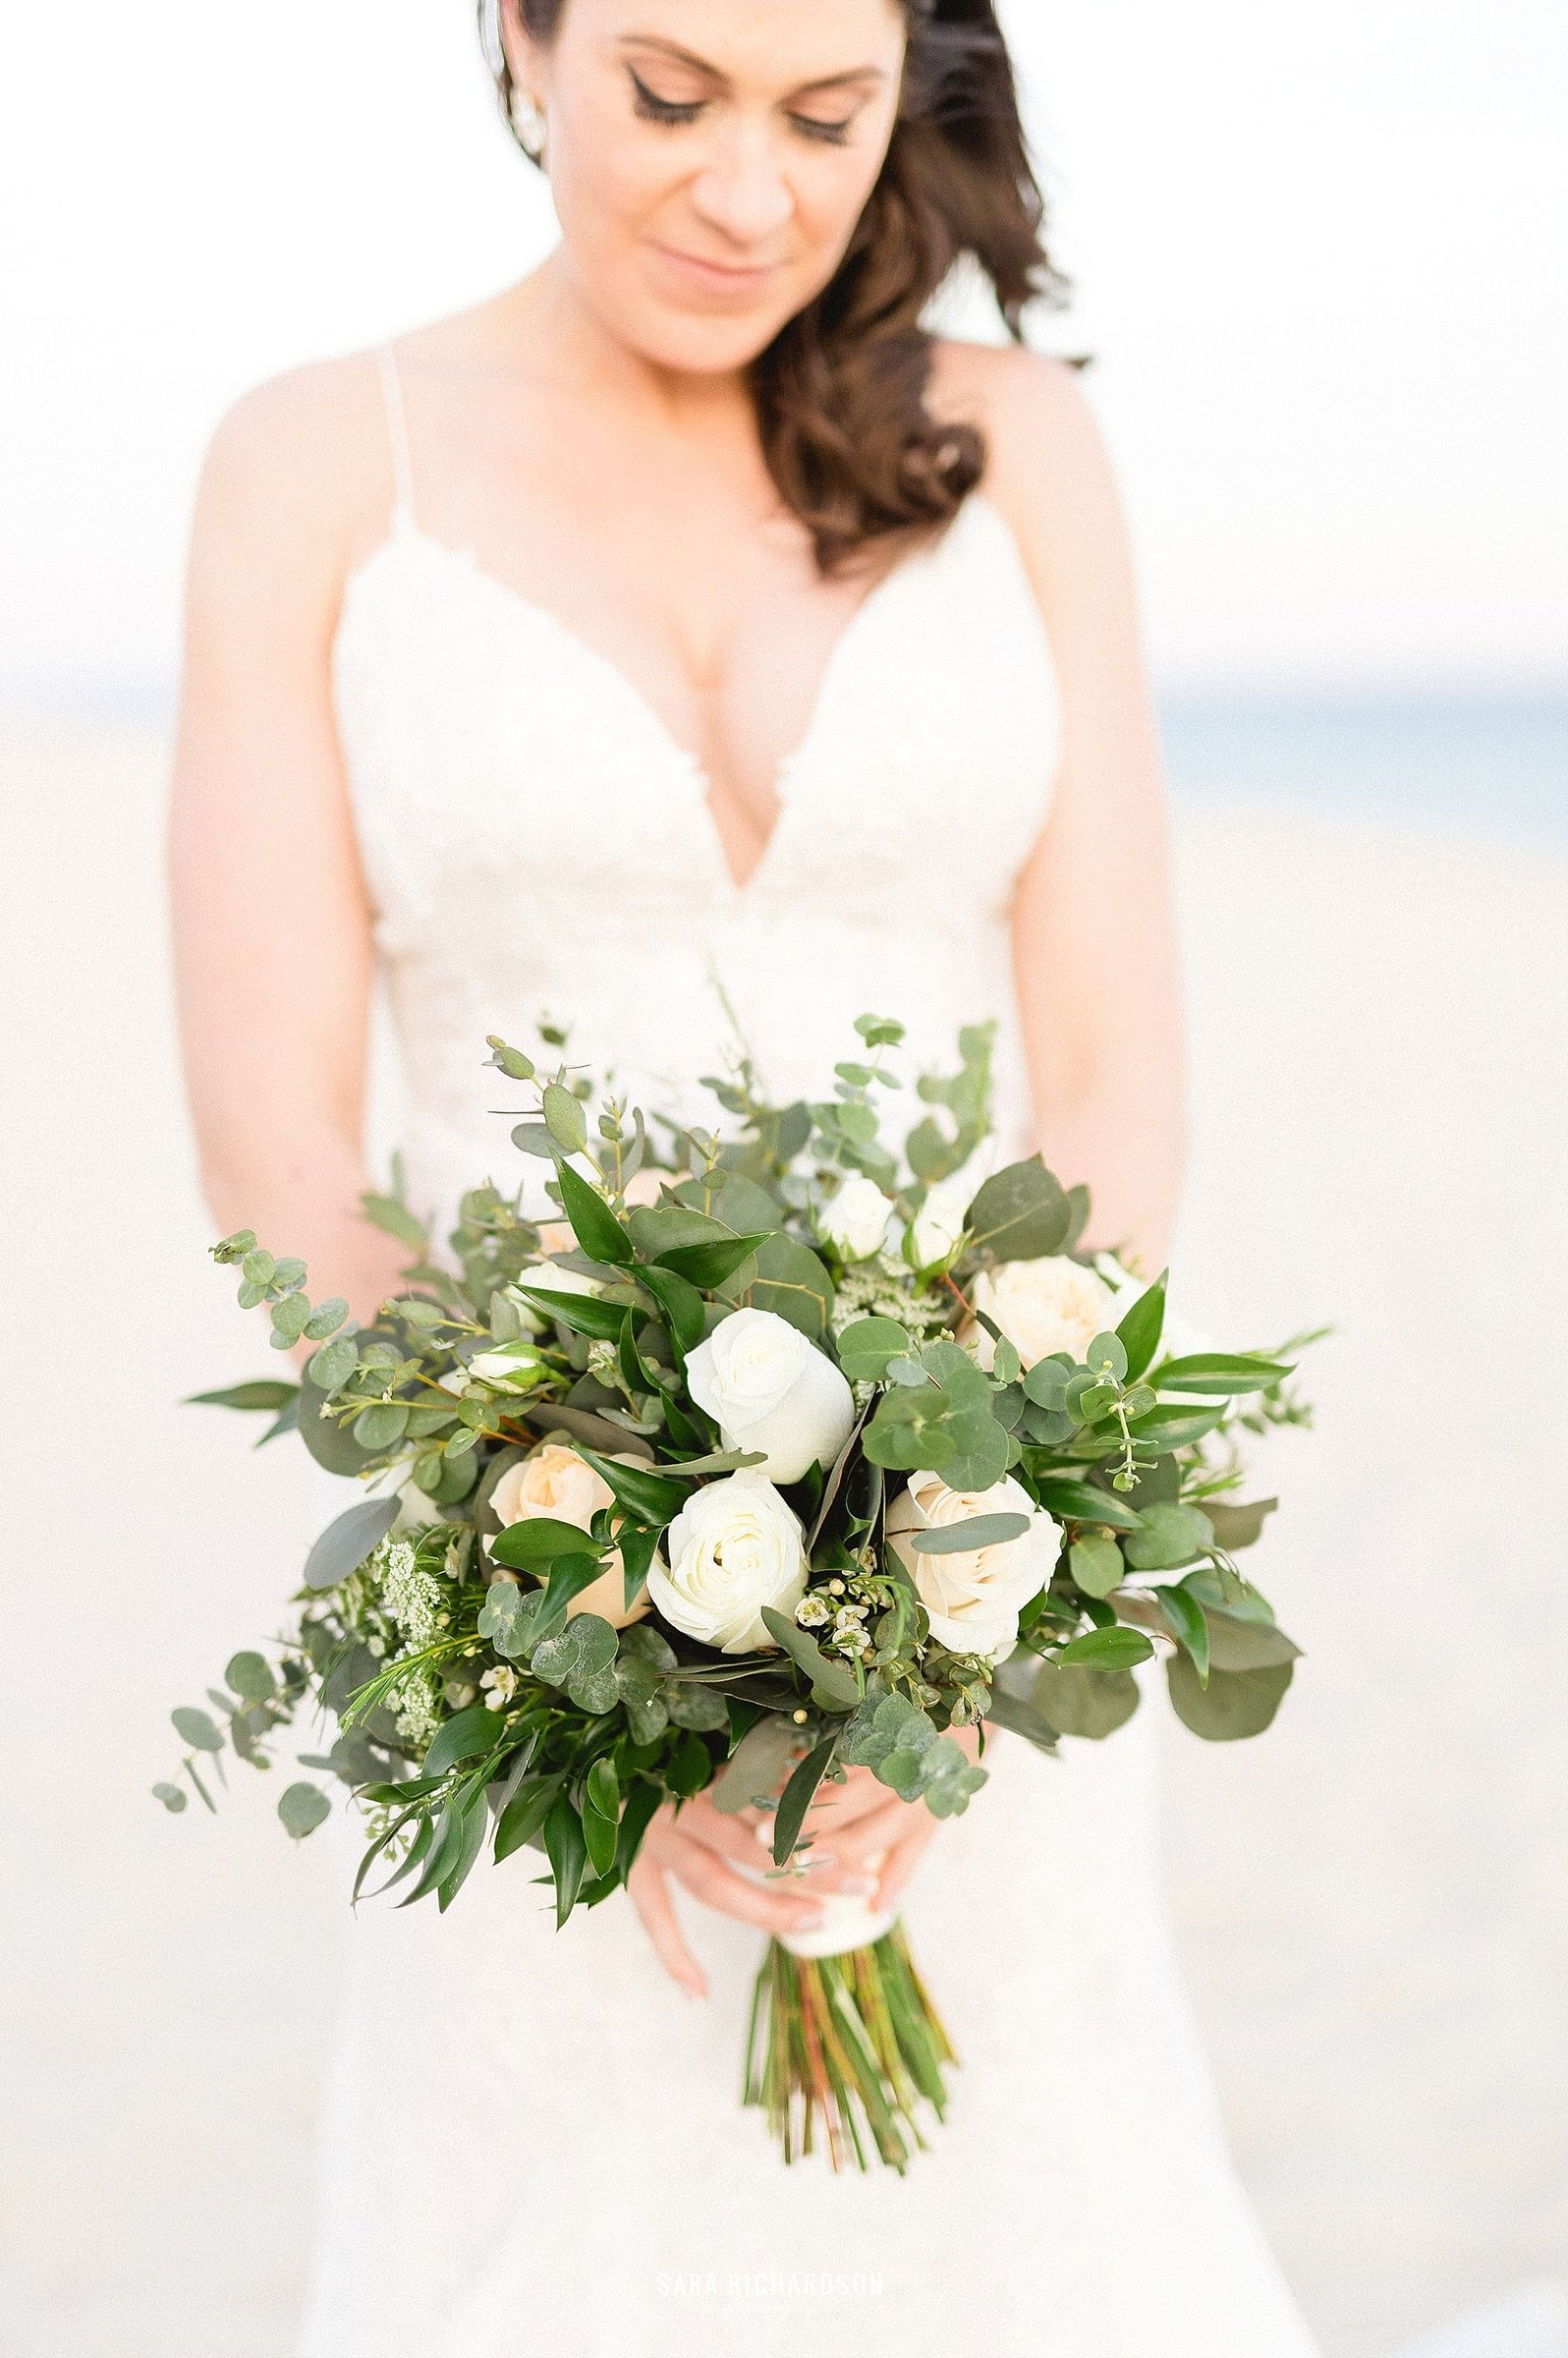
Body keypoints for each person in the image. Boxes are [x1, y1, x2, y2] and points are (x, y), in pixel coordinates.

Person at [169, 2, 1320, 2348]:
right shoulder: (315, 464)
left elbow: (1106, 1063)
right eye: (666, 94)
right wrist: (573, 1589)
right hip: (536, 1610)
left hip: (973, 1650)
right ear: (524, 36)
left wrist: (981, 1582)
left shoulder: (1017, 447)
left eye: (822, 118)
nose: (741, 193)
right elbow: (279, 1130)